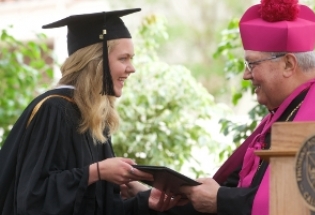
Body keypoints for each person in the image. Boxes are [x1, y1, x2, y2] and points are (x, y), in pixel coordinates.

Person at [135, 1, 315, 215]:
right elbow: (233, 188)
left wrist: (221, 199)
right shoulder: (284, 112)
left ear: (288, 64)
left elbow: (307, 203)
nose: (246, 75)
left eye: (252, 64)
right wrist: (146, 197)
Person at [0, 8, 181, 215]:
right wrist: (97, 172)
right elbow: (32, 198)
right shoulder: (55, 110)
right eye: (123, 59)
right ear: (96, 62)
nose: (132, 68)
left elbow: (100, 208)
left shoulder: (94, 118)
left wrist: (145, 201)